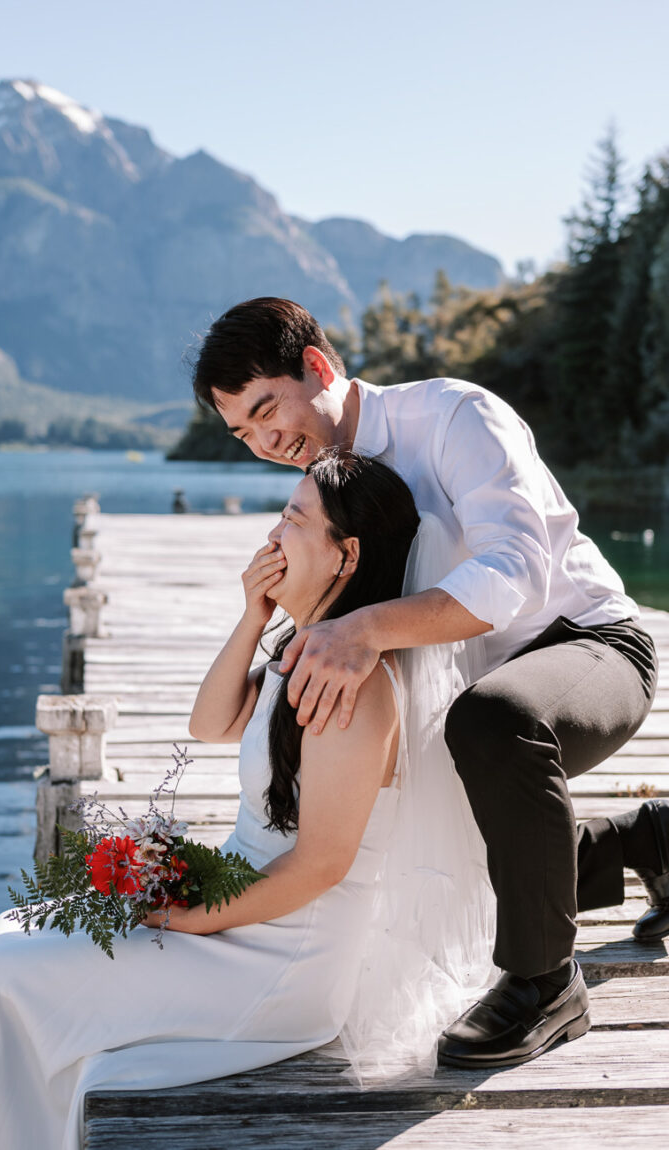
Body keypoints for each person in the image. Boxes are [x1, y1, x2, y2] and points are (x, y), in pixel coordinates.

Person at [0, 452, 462, 1150]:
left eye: (293, 520)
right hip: (243, 909)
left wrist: (194, 918)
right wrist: (253, 616)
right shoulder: (306, 652)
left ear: (346, 555)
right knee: (8, 935)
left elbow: (321, 864)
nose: (272, 536)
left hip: (284, 955)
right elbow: (211, 722)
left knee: (5, 969)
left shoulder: (355, 687)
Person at [192, 296, 663, 1069]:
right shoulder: (330, 488)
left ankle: (545, 983)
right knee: (422, 833)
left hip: (586, 644)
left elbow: (515, 570)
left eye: (268, 409)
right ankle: (651, 841)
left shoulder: (454, 417)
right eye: (244, 433)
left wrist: (362, 631)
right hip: (456, 688)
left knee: (491, 723)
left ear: (318, 366)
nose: (267, 443)